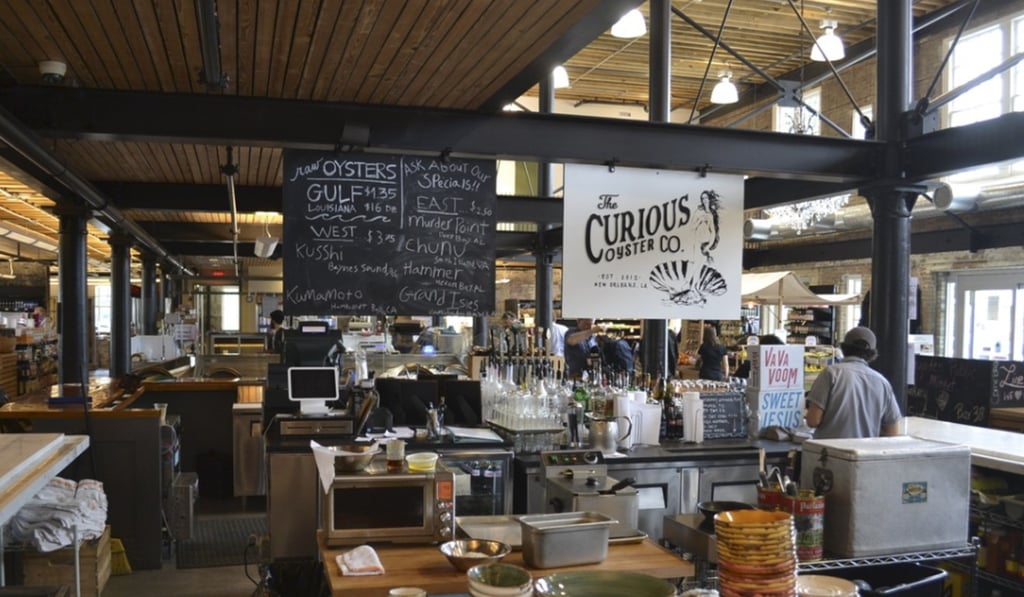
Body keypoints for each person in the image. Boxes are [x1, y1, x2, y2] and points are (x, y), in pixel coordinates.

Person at [804, 326, 903, 439]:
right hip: (865, 453)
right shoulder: (882, 382)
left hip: (830, 452)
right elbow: (893, 431)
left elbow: (813, 420)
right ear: (872, 353)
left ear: (844, 348)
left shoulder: (831, 374)